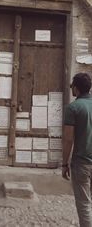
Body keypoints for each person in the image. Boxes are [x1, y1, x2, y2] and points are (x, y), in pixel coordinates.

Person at [62, 72, 92, 227]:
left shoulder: (73, 108)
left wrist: (64, 163)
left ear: (76, 88)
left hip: (82, 163)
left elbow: (68, 139)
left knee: (84, 204)